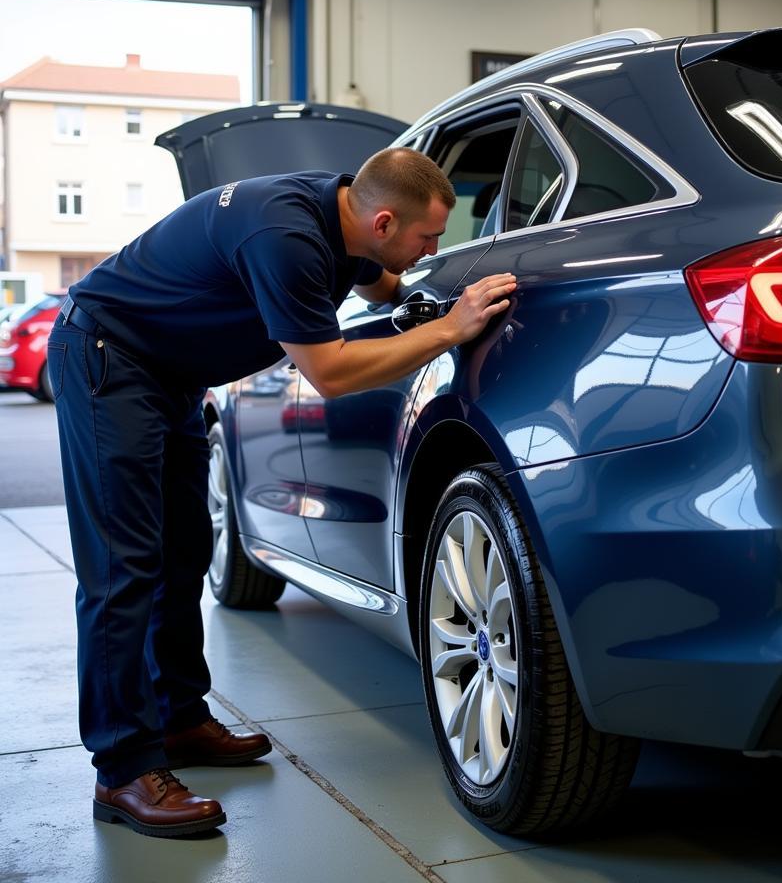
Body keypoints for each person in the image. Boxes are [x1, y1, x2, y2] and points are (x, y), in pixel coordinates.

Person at [49, 148, 516, 838]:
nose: (431, 251)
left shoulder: (343, 219)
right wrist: (448, 329)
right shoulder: (286, 237)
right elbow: (328, 371)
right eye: (426, 240)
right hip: (107, 359)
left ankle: (177, 721)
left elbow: (380, 284)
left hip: (166, 376)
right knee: (123, 569)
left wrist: (423, 296)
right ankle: (122, 769)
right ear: (383, 220)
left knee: (182, 555)